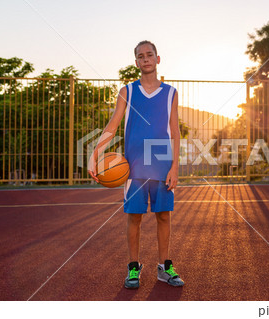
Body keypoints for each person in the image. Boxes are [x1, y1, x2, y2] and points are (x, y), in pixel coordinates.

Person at [88, 40, 184, 289]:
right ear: (136, 62)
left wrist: (175, 167)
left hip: (162, 163)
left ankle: (164, 267)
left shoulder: (171, 92)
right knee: (134, 217)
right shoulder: (127, 91)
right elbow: (113, 125)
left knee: (164, 216)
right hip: (134, 165)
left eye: (149, 55)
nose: (145, 59)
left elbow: (175, 131)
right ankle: (133, 268)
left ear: (157, 59)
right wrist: (95, 153)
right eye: (140, 56)